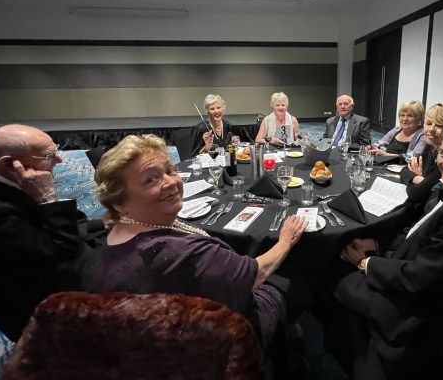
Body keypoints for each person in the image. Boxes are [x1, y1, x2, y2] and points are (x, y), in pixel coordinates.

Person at [324, 118, 443, 379]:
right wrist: (374, 244)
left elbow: (417, 279)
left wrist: (363, 262)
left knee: (327, 267)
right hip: (412, 268)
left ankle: (351, 349)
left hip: (411, 306)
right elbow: (418, 234)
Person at [90, 134, 308, 346]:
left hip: (164, 334)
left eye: (169, 170)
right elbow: (256, 274)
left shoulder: (116, 232)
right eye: (150, 179)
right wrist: (285, 241)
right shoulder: (182, 252)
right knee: (293, 272)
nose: (169, 182)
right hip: (226, 336)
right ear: (119, 202)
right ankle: (284, 336)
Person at [0, 124, 106, 341]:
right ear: (9, 164)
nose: (59, 160)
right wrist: (47, 197)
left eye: (56, 150)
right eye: (47, 155)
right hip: (47, 306)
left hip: (60, 251)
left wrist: (101, 226)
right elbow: (63, 257)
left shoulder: (5, 176)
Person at [399, 102, 443, 207]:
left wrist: (420, 180)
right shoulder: (431, 146)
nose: (431, 129)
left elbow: (415, 194)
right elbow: (405, 170)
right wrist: (418, 178)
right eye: (429, 123)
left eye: (440, 125)